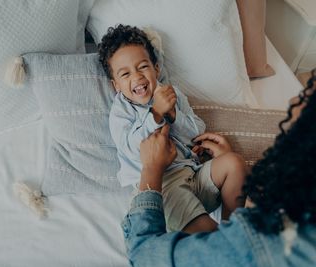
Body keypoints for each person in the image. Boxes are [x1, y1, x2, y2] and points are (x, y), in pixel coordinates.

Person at [122, 70, 316, 266]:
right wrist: (229, 165)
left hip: (167, 180)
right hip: (181, 186)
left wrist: (151, 170)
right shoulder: (122, 110)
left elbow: (144, 256)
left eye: (304, 97)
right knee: (233, 163)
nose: (292, 101)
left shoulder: (267, 244)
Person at [98, 24, 247, 233]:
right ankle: (220, 243)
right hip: (164, 186)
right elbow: (132, 148)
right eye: (125, 74)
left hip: (195, 174)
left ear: (156, 69)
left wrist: (174, 115)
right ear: (116, 86)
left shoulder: (171, 93)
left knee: (234, 163)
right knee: (208, 233)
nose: (137, 77)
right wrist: (156, 114)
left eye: (142, 67)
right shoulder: (121, 111)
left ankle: (233, 228)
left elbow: (197, 131)